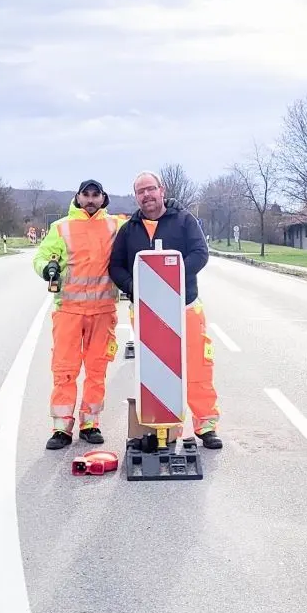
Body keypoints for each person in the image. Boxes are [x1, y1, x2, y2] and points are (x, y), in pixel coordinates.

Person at [107, 170, 222, 449]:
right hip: (146, 313)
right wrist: (134, 286)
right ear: (136, 197)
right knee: (155, 372)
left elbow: (200, 254)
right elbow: (116, 266)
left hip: (184, 308)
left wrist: (172, 281)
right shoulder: (129, 230)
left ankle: (206, 425)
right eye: (140, 191)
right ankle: (167, 429)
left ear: (162, 190)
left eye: (150, 189)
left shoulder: (184, 221)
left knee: (196, 367)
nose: (146, 195)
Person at [33, 179, 129, 450]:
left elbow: (144, 225)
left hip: (102, 311)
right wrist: (46, 269)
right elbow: (41, 257)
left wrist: (168, 207)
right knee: (64, 370)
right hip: (69, 312)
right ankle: (61, 428)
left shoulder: (115, 226)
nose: (90, 199)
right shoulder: (61, 227)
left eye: (95, 195)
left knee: (97, 370)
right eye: (85, 195)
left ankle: (90, 423)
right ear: (77, 197)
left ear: (103, 198)